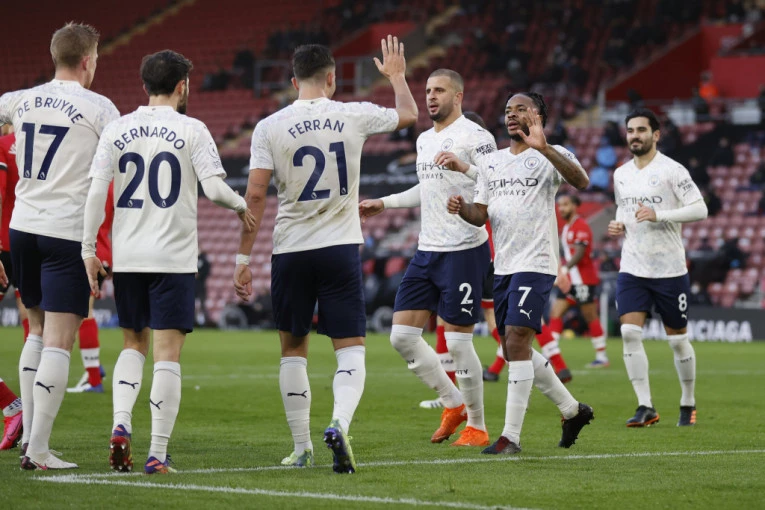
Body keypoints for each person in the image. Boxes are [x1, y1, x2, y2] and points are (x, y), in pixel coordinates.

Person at [234, 38, 417, 474]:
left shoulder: (269, 126)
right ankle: (340, 423)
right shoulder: (353, 114)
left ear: (293, 80)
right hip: (339, 248)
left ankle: (301, 448)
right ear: (332, 78)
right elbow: (409, 114)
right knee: (350, 347)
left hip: (291, 249)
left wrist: (243, 259)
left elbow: (255, 196)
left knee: (293, 349)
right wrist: (396, 77)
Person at [83, 49, 255, 474]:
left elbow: (96, 193)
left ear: (145, 85)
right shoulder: (192, 129)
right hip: (173, 258)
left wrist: (89, 249)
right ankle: (157, 453)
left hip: (128, 256)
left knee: (132, 344)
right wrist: (240, 206)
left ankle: (121, 424)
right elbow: (214, 190)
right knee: (167, 354)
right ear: (182, 85)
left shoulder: (118, 128)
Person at [0, 23, 120, 470]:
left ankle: (31, 439)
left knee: (35, 330)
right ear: (87, 61)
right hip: (65, 232)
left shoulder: (18, 99)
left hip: (21, 230)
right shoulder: (100, 107)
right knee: (58, 340)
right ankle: (38, 450)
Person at [447, 91, 594, 455]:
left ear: (538, 116)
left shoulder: (550, 154)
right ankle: (572, 410)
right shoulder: (492, 162)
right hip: (504, 266)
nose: (511, 115)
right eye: (508, 110)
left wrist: (545, 148)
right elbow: (481, 214)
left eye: (521, 109)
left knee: (515, 341)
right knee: (513, 348)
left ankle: (510, 437)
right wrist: (462, 208)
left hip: (537, 262)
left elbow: (581, 182)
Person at [359, 70, 496, 448]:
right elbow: (427, 187)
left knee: (458, 343)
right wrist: (385, 202)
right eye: (428, 91)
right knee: (402, 337)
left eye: (440, 90)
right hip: (427, 250)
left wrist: (465, 174)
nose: (431, 96)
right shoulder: (423, 140)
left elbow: (494, 180)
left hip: (464, 250)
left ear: (459, 95)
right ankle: (453, 403)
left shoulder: (477, 137)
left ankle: (478, 426)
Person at [608, 107, 708, 428]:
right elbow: (623, 208)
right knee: (628, 333)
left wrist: (659, 215)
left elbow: (700, 209)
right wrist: (619, 224)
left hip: (669, 269)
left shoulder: (672, 170)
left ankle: (687, 401)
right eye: (630, 130)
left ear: (656, 135)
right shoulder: (621, 174)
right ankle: (645, 406)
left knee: (677, 340)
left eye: (641, 130)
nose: (634, 136)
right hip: (632, 267)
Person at [549, 194, 609, 367]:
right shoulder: (567, 227)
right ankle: (551, 353)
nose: (561, 209)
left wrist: (564, 270)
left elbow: (580, 253)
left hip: (583, 280)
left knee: (590, 316)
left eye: (565, 205)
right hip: (569, 281)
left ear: (575, 206)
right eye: (560, 205)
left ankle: (602, 357)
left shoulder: (581, 225)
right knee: (556, 314)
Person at [68, 181, 113, 393]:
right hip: (103, 251)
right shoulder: (112, 184)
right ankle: (95, 369)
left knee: (81, 314)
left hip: (86, 253)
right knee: (82, 313)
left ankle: (94, 378)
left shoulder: (82, 180)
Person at [0, 125, 30, 341]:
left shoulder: (3, 145)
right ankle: (34, 362)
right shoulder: (38, 143)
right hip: (29, 237)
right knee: (30, 311)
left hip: (4, 239)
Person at [195, 251, 211, 325]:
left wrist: (200, 275)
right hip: (194, 286)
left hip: (200, 286)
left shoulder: (203, 260)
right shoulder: (193, 259)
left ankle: (204, 321)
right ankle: (194, 321)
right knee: (192, 305)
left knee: (202, 305)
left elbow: (207, 270)